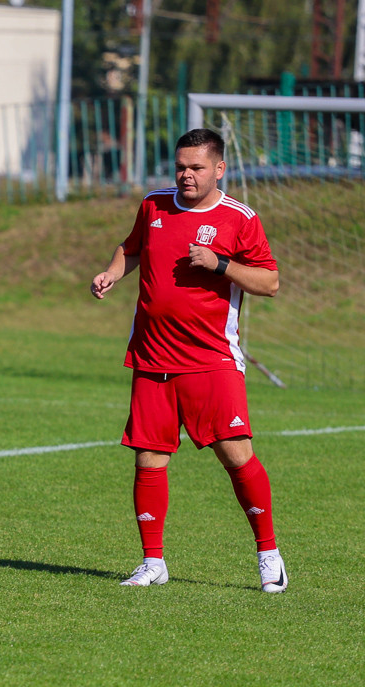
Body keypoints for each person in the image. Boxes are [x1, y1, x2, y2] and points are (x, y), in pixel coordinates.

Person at [90, 128, 288, 593]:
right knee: (148, 460)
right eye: (181, 166)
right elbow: (131, 246)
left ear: (219, 169)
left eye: (196, 167)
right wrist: (113, 273)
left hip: (211, 360)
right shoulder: (154, 205)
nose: (186, 175)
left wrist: (219, 264)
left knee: (236, 456)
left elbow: (270, 282)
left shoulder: (240, 218)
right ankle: (153, 561)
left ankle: (269, 554)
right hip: (153, 358)